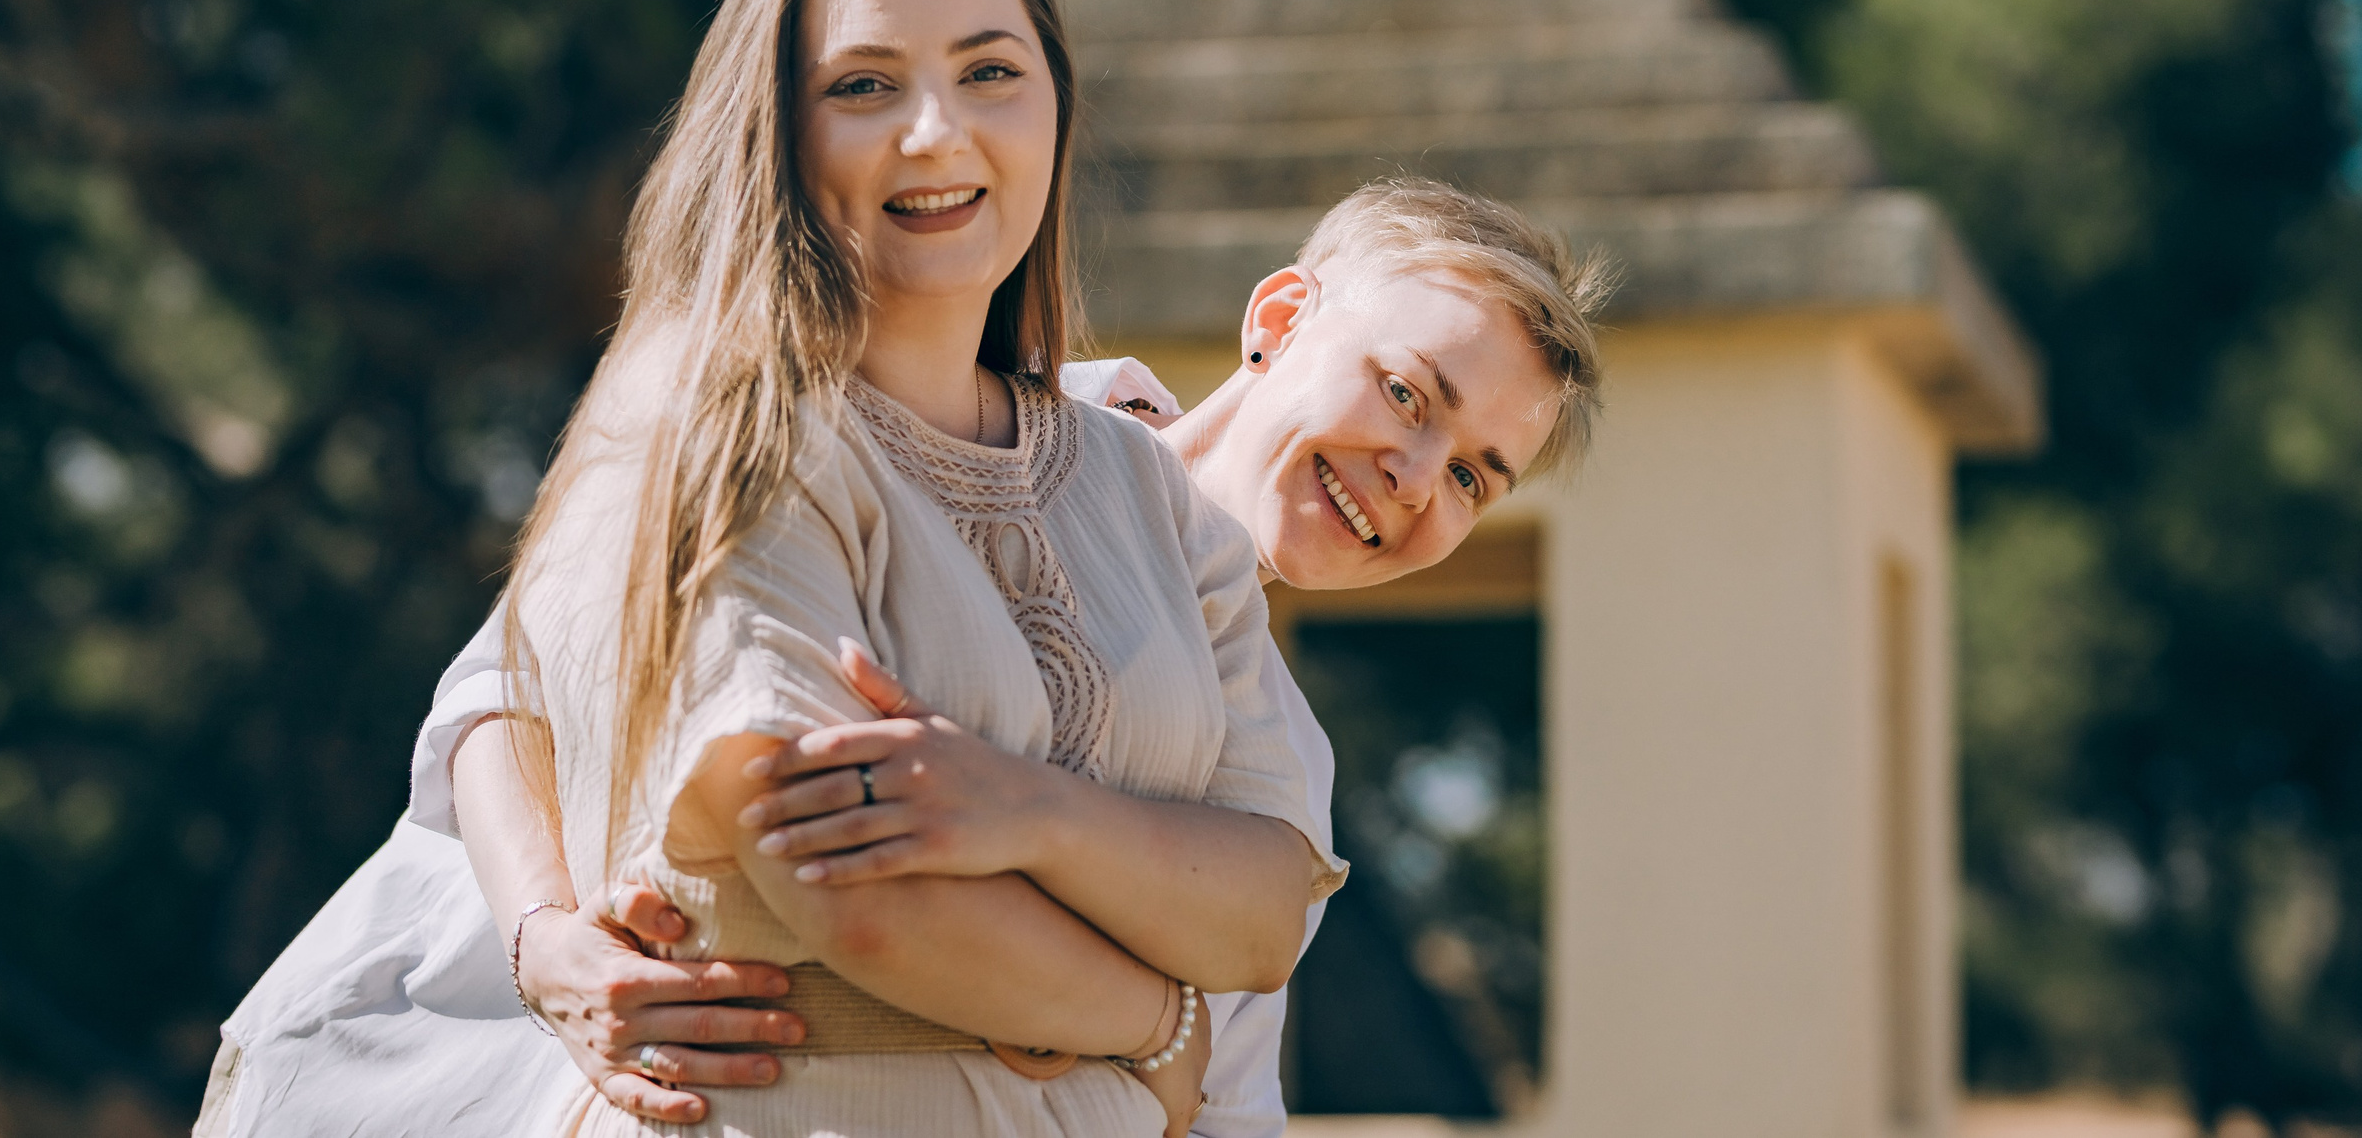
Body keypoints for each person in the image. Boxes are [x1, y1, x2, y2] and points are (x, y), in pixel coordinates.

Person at [207, 0, 1345, 1138]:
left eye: (990, 73)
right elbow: (848, 884)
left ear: (1056, 111)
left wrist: (1026, 815)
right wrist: (1155, 1022)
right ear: (777, 131)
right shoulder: (725, 430)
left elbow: (1262, 911)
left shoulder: (1151, 489)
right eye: (864, 86)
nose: (938, 131)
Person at [206, 172, 1610, 1138]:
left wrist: (1150, 1017)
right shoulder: (940, 406)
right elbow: (513, 680)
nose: (1419, 472)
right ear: (1282, 317)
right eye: (1408, 391)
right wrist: (543, 936)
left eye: (1478, 473)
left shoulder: (1277, 785)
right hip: (433, 1070)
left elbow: (1209, 1099)